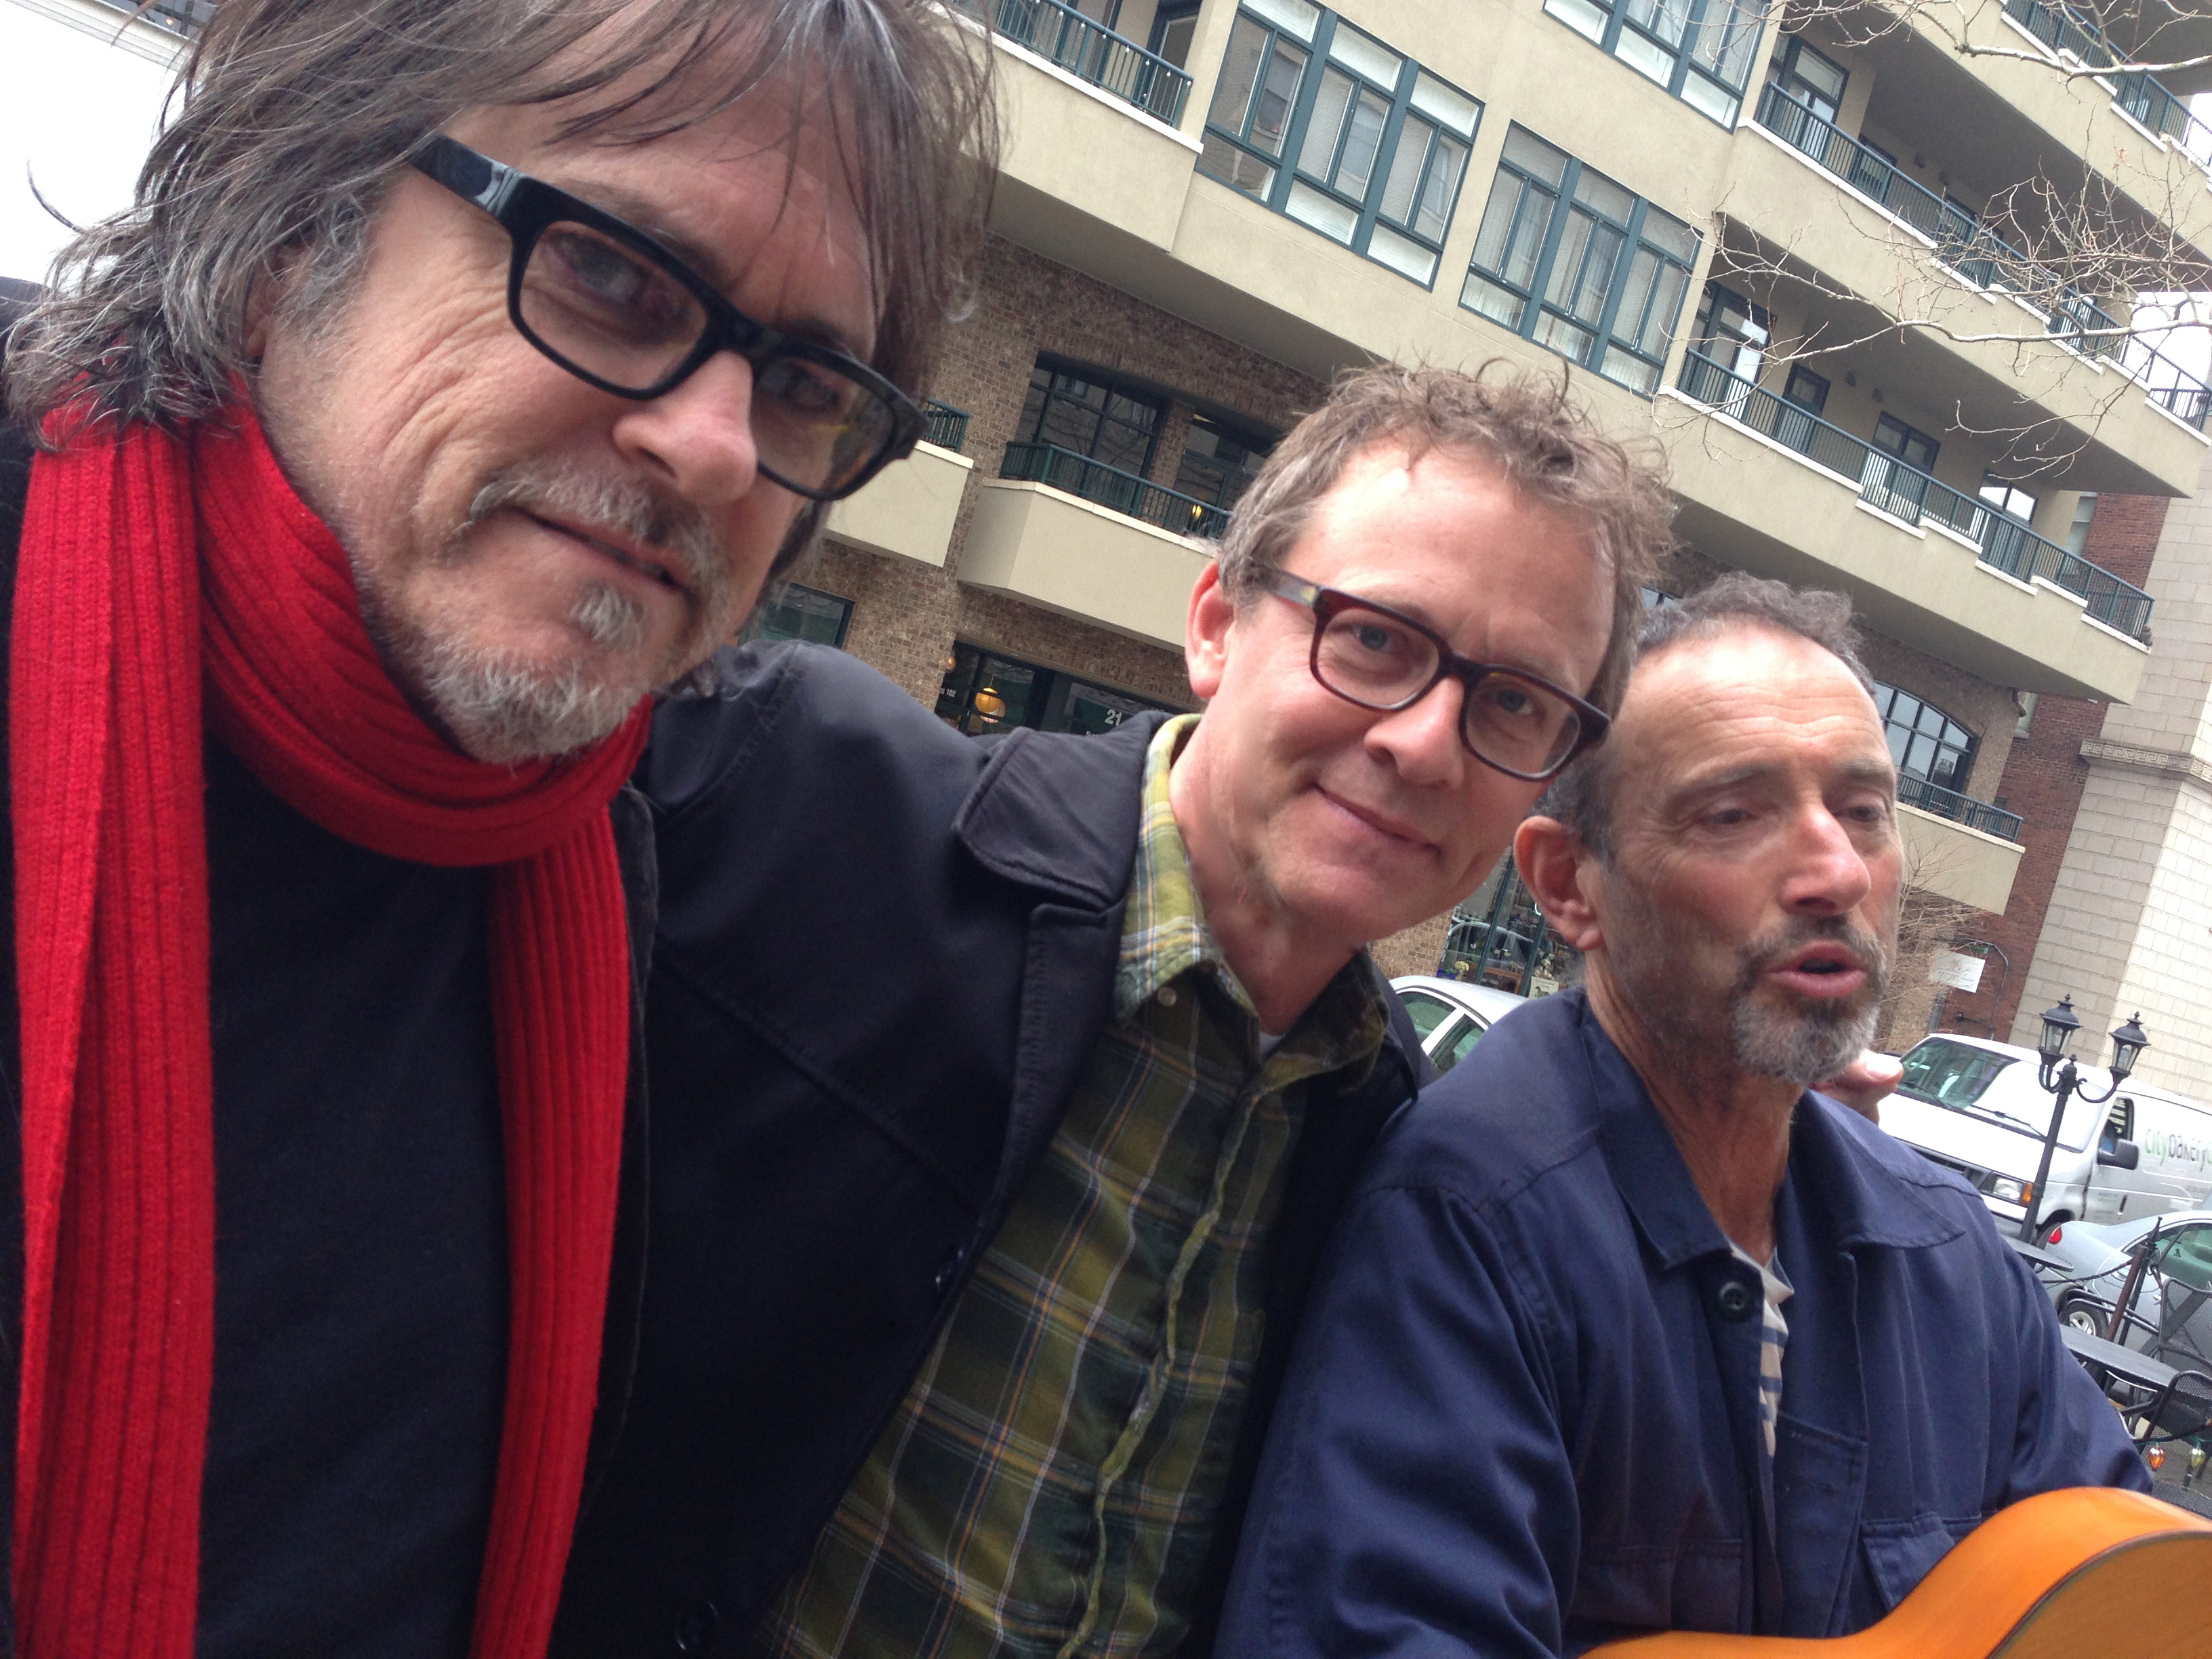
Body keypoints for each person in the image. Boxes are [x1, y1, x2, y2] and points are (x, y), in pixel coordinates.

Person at [0, 2, 989, 1654]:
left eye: (808, 382)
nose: (716, 444)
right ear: (283, 222)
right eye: (610, 273)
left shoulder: (616, 859)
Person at [556, 363, 1676, 1658]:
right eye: (1373, 638)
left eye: (1516, 703)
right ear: (1216, 625)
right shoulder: (800, 802)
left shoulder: (1395, 1148)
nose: (1425, 743)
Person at [1215, 574, 2150, 1659]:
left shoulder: (1949, 1253)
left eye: (1863, 811)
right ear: (1569, 887)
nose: (1836, 872)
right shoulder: (1463, 1224)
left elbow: (2136, 1597)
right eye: (1733, 813)